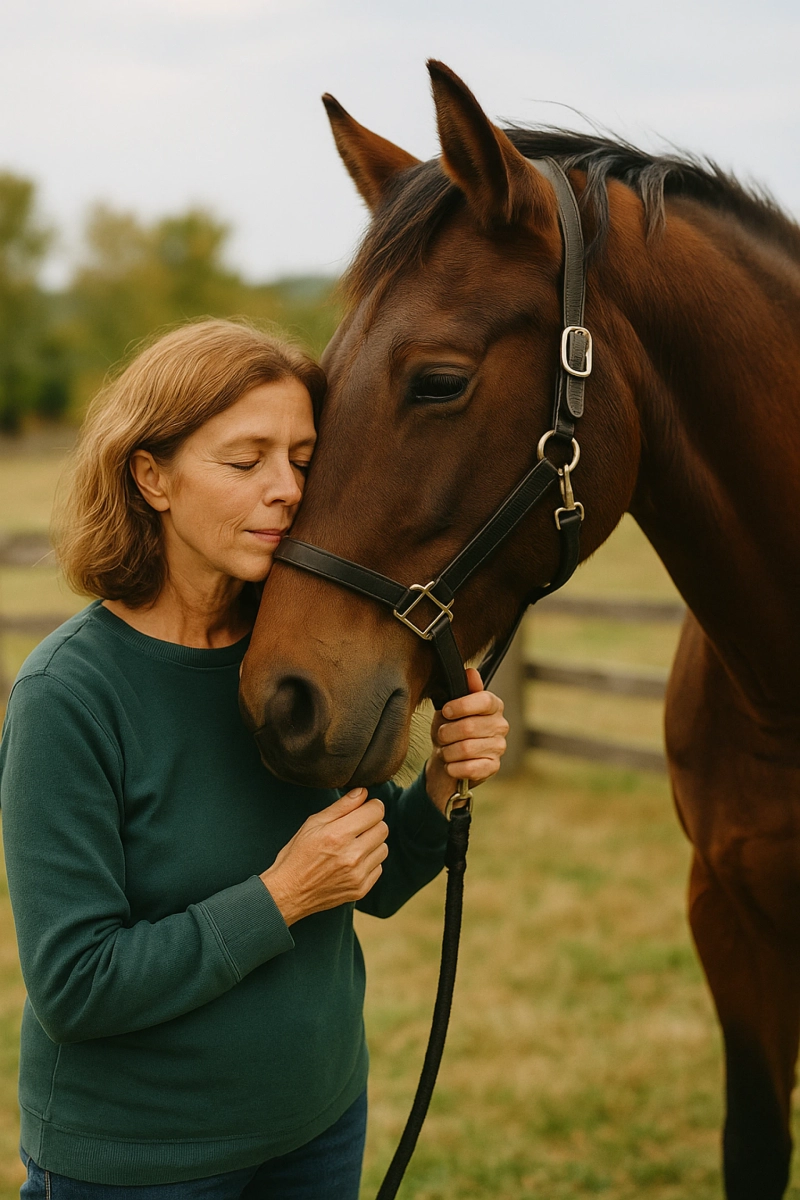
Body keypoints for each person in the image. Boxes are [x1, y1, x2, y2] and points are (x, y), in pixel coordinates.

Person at [0, 319, 509, 1200]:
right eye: (246, 461)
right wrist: (280, 895)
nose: (287, 490)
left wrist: (439, 784)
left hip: (319, 1127)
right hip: (143, 1165)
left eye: (303, 460)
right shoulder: (67, 695)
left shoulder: (291, 659)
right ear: (151, 477)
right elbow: (75, 986)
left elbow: (373, 880)